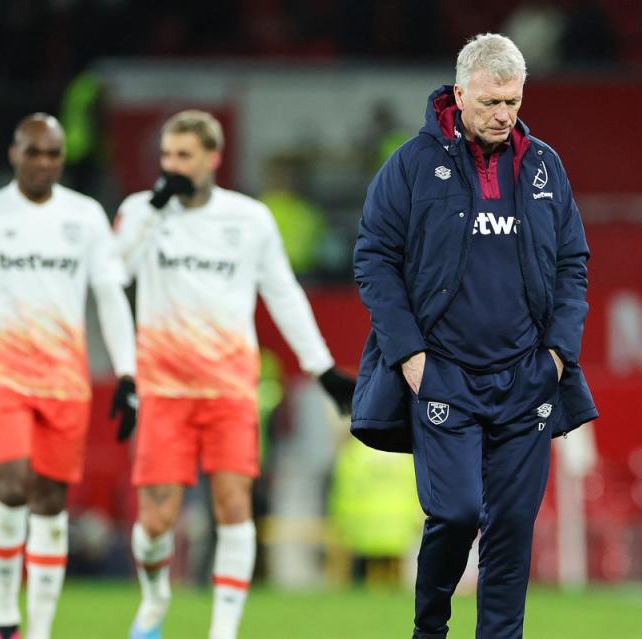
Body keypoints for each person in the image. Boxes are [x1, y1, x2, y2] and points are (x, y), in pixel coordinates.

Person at [351, 34, 598, 639]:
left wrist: (559, 355)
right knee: (457, 512)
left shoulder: (544, 165)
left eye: (512, 101)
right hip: (444, 376)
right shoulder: (410, 165)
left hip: (527, 377)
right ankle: (430, 627)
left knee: (513, 527)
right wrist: (409, 355)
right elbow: (374, 258)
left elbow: (573, 262)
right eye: (490, 101)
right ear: (460, 93)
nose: (502, 114)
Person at [114, 110, 355, 639]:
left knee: (232, 505)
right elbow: (113, 276)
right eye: (166, 157)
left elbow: (284, 295)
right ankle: (154, 602)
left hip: (230, 389)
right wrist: (152, 212)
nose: (172, 167)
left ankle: (223, 631)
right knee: (155, 521)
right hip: (164, 389)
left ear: (212, 158)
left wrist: (322, 369)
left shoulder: (249, 219)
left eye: (184, 156)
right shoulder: (140, 211)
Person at [0, 113, 138, 639]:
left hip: (65, 380)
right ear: (14, 154)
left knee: (51, 503)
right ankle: (5, 617)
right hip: (4, 373)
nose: (44, 162)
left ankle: (41, 629)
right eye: (34, 152)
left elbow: (110, 298)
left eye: (53, 154)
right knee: (10, 487)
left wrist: (127, 374)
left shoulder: (86, 216)